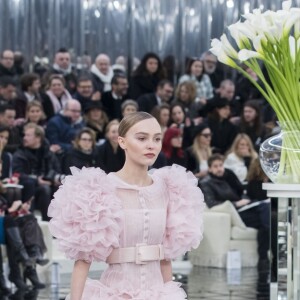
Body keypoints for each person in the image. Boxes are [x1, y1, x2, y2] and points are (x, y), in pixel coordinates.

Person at [48, 111, 204, 299]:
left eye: (156, 139)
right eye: (141, 138)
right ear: (122, 142)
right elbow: (83, 260)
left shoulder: (170, 189)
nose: (151, 145)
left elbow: (165, 258)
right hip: (116, 293)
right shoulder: (99, 191)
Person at [199, 154, 270, 268]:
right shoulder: (206, 183)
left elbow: (242, 191)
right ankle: (265, 259)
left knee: (267, 215)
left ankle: (264, 259)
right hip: (234, 213)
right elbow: (211, 203)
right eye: (215, 166)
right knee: (266, 212)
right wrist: (236, 204)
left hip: (243, 209)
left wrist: (244, 200)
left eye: (221, 165)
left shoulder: (228, 176)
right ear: (210, 168)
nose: (219, 169)